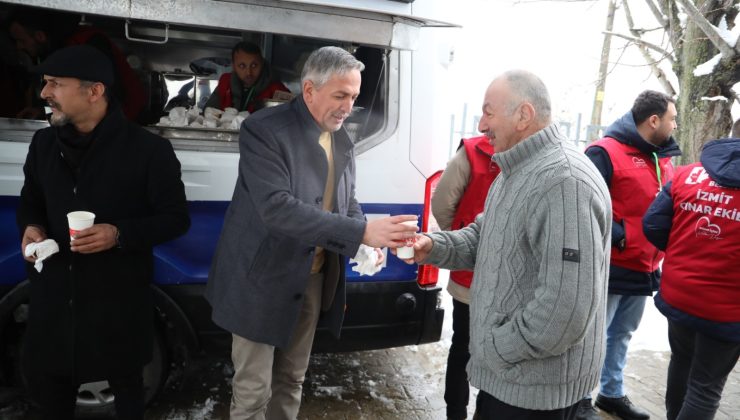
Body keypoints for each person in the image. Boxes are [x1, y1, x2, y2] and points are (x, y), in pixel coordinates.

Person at [205, 46, 418, 420]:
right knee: (253, 390)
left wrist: (366, 245)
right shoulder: (263, 131)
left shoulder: (340, 138)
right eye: (340, 95)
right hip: (262, 280)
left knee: (293, 378)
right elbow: (278, 209)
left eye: (353, 96)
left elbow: (346, 199)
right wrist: (360, 232)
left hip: (313, 279)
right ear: (308, 90)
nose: (348, 107)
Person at [403, 70, 611, 420]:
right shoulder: (517, 169)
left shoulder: (564, 182)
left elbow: (565, 309)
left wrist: (497, 349)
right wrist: (432, 246)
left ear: (523, 115)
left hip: (534, 394)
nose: (482, 124)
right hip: (511, 380)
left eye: (489, 112)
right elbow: (484, 236)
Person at [16, 45, 190, 419]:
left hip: (118, 306)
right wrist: (31, 226)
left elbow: (176, 218)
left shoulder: (149, 152)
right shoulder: (43, 144)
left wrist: (120, 234)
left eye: (55, 84)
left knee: (128, 397)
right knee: (51, 402)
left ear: (94, 92)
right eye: (45, 83)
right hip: (55, 305)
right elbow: (30, 200)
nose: (44, 93)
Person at [576, 90, 681, 420]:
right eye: (672, 119)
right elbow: (583, 205)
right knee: (592, 336)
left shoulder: (660, 156)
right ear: (653, 121)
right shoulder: (604, 153)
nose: (675, 124)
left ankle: (610, 393)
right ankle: (579, 399)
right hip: (611, 264)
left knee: (621, 334)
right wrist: (619, 238)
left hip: (644, 265)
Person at [642, 138, 740, 420]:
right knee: (705, 387)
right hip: (727, 309)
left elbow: (653, 224)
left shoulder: (688, 174)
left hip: (681, 293)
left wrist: (687, 251)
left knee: (682, 363)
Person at [430, 135, 499, 420]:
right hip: (478, 277)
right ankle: (462, 412)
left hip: (481, 277)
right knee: (474, 349)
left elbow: (442, 202)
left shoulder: (473, 152)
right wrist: (461, 242)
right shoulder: (472, 152)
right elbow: (442, 203)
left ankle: (462, 413)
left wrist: (458, 238)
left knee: (468, 348)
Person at [8, 9, 147, 121]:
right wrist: (45, 111)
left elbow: (105, 100)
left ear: (40, 36)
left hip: (123, 122)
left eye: (21, 40)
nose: (19, 47)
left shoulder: (87, 43)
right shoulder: (60, 48)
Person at [204, 41, 290, 113]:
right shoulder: (225, 82)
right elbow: (208, 112)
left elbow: (290, 118)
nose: (249, 72)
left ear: (262, 64)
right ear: (233, 66)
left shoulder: (277, 89)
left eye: (254, 65)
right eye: (242, 66)